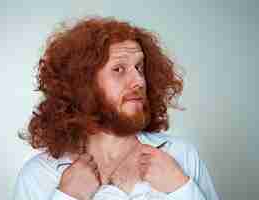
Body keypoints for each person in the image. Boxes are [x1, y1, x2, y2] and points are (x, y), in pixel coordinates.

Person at [13, 16, 220, 200]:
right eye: (119, 69)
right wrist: (67, 196)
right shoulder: (38, 176)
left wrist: (181, 189)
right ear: (84, 85)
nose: (138, 80)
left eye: (139, 67)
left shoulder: (181, 156)